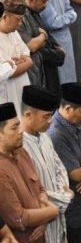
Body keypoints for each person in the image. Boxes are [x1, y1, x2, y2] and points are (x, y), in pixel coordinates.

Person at [48, 82, 81, 243]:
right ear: (68, 109)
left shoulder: (75, 123)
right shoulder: (57, 134)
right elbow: (76, 174)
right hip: (75, 214)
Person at [0, 102, 59, 243]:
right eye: (14, 127)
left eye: (19, 125)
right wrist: (52, 211)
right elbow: (18, 218)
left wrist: (44, 219)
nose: (20, 131)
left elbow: (40, 188)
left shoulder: (21, 151)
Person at [20, 85, 71, 243]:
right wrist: (64, 198)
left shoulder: (45, 138)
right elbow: (28, 191)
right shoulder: (19, 146)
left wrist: (64, 193)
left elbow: (59, 169)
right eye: (46, 117)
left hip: (57, 220)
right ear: (29, 115)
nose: (50, 121)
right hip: (37, 223)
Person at [18, 0, 63, 95]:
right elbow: (31, 47)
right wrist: (43, 36)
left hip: (48, 70)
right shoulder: (22, 17)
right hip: (37, 72)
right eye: (43, 1)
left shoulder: (36, 13)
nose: (45, 5)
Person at [0, 0, 33, 113]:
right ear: (4, 16)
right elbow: (7, 73)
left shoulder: (14, 33)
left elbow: (29, 60)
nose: (20, 24)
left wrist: (24, 62)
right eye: (17, 19)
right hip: (6, 96)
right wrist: (14, 63)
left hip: (21, 90)